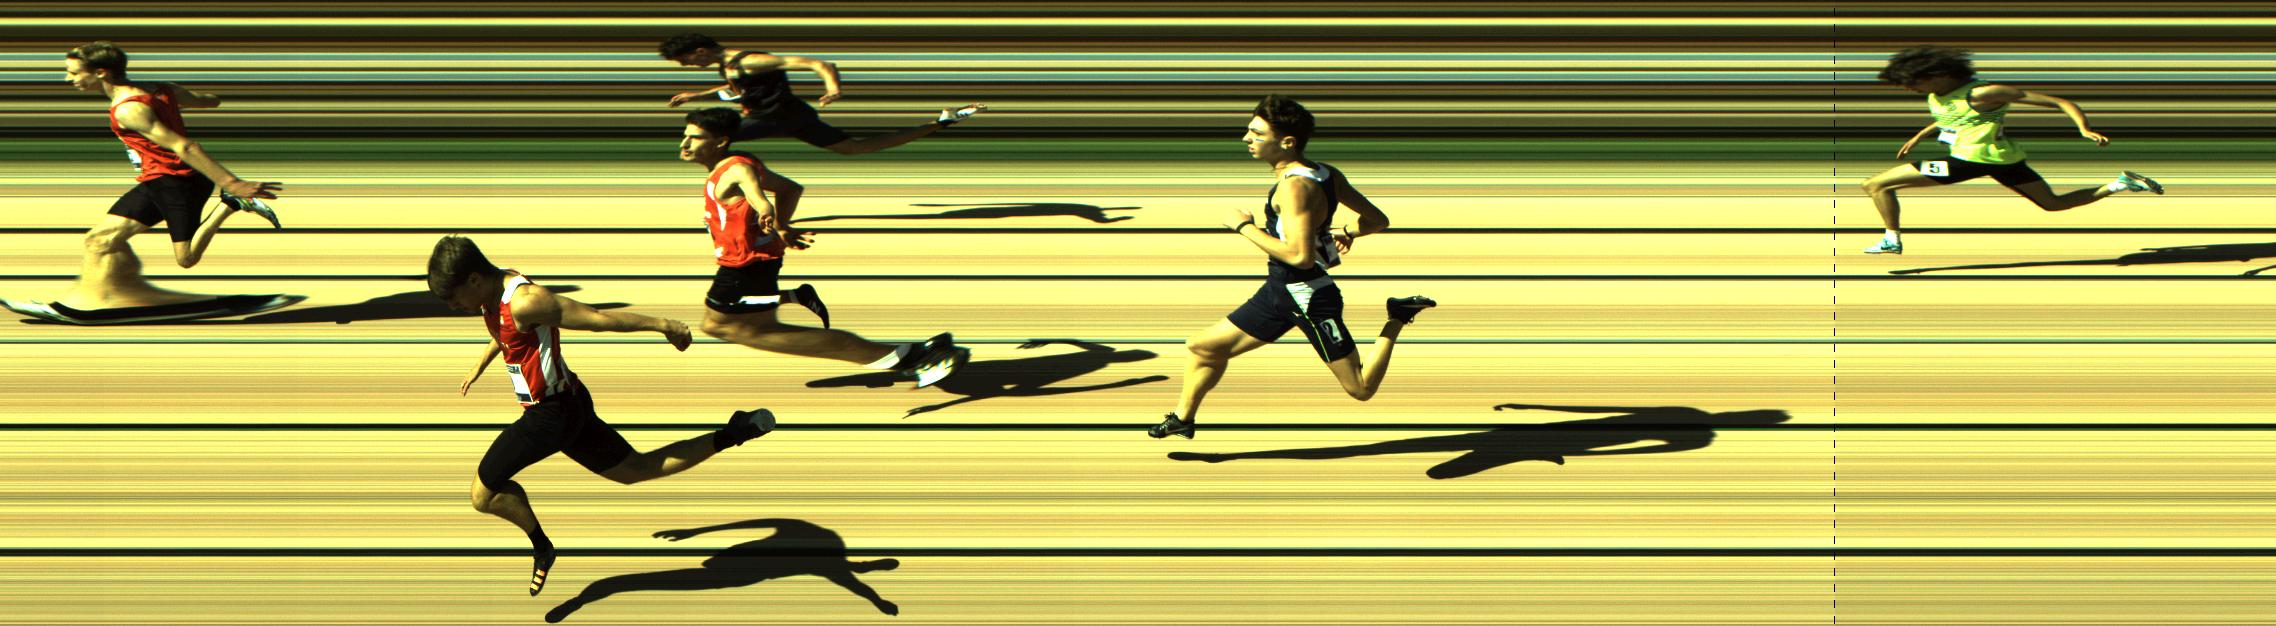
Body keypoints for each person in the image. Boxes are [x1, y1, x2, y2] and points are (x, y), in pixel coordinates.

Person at [428, 235, 779, 595]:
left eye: (454, 299)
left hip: (550, 416)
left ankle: (542, 548)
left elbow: (598, 319)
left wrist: (664, 325)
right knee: (637, 469)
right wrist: (480, 364)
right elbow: (505, 333)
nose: (454, 306)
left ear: (474, 279)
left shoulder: (526, 301)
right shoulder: (494, 289)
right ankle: (734, 432)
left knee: (482, 495)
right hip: (570, 404)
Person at [1150, 96, 1436, 439]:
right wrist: (1345, 231)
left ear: (1287, 142)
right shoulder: (1326, 173)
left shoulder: (1294, 187)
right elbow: (1377, 220)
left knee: (1360, 387)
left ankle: (1397, 317)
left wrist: (1244, 227)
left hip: (1307, 296)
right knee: (1203, 347)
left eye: (1257, 133)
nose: (1246, 138)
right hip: (1279, 290)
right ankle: (1183, 418)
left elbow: (1299, 257)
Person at [679, 108, 968, 387]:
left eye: (695, 137)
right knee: (725, 324)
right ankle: (798, 298)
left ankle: (910, 357)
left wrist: (766, 209)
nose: (685, 143)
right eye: (685, 135)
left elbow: (755, 192)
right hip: (755, 263)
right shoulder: (733, 163)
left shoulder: (736, 169)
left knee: (726, 327)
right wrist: (781, 227)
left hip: (743, 267)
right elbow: (790, 188)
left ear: (720, 141)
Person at [8, 41, 290, 322]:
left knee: (186, 258)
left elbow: (185, 146)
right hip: (156, 181)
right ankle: (108, 297)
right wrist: (173, 106)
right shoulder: (159, 89)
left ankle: (230, 204)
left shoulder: (128, 110)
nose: (67, 79)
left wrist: (231, 184)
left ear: (101, 73)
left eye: (74, 73)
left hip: (179, 183)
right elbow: (209, 100)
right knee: (99, 240)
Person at [1861, 45, 2164, 255]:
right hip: (2003, 160)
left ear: (1937, 75)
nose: (1908, 89)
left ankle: (1891, 239)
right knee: (2053, 204)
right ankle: (2120, 183)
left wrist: (2084, 128)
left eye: (1911, 83)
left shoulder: (1984, 93)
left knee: (1875, 184)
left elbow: (2061, 102)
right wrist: (1920, 135)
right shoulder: (1941, 94)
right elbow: (1952, 117)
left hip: (1969, 161)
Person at [658, 33, 984, 154]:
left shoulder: (752, 60)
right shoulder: (731, 65)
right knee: (854, 148)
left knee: (710, 140)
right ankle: (942, 122)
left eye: (684, 60)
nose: (685, 65)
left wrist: (833, 88)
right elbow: (741, 87)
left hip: (776, 117)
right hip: (790, 116)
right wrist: (698, 95)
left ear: (700, 51)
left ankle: (742, 199)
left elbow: (818, 63)